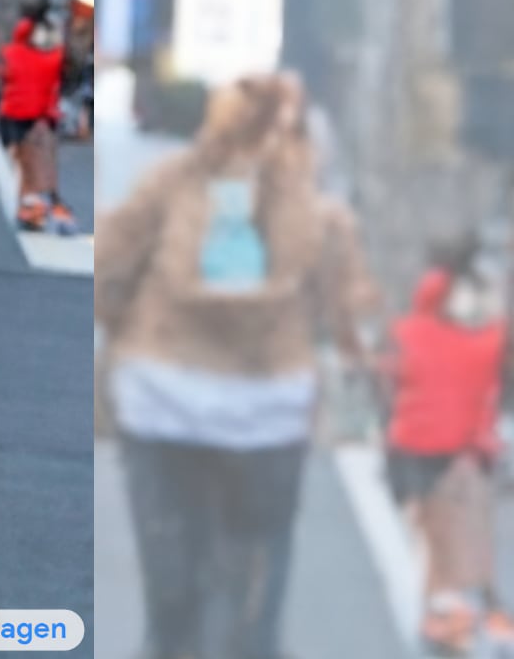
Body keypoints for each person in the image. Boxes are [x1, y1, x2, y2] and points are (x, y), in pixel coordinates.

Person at [97, 72, 378, 659]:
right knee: (252, 577)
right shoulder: (315, 209)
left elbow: (111, 265)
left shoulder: (170, 184)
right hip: (268, 413)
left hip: (162, 401)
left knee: (172, 585)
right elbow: (344, 308)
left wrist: (127, 332)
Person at [379, 235, 514, 656]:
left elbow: (388, 378)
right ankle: (460, 619)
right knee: (455, 543)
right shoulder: (479, 341)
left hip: (414, 453)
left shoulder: (410, 332)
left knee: (442, 546)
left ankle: (454, 617)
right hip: (453, 454)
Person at [0, 0, 77, 234]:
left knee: (26, 164)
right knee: (33, 165)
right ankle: (33, 207)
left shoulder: (11, 54)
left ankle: (30, 207)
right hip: (33, 118)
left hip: (15, 117)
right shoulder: (50, 58)